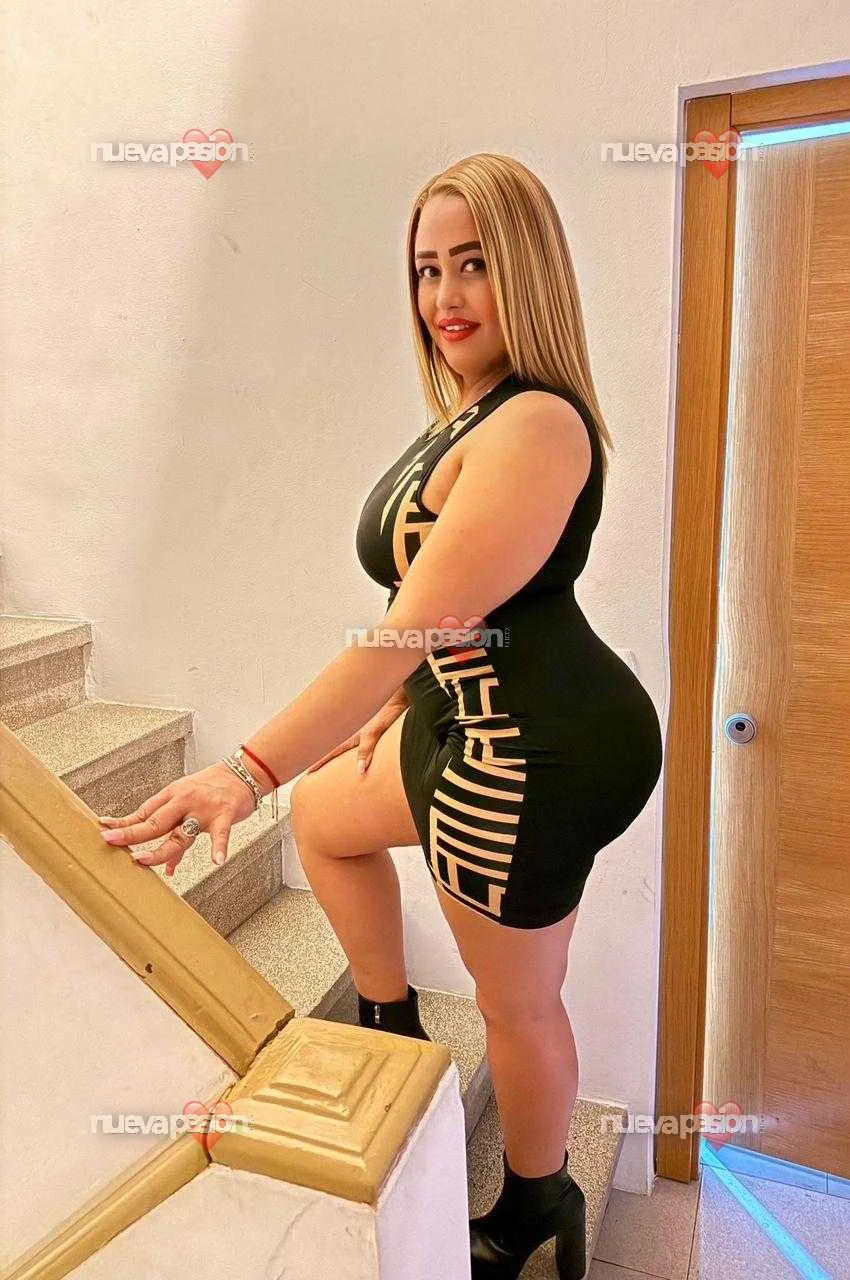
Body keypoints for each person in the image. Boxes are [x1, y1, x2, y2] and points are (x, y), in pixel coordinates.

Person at [99, 152, 663, 1280]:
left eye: (475, 264)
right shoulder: (470, 411)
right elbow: (456, 597)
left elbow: (406, 627)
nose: (445, 295)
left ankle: (534, 1204)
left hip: (536, 751)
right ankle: (392, 1037)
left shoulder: (537, 423)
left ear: (529, 271)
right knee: (327, 817)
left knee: (517, 1004)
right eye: (426, 268)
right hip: (467, 710)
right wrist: (410, 695)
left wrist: (243, 771)